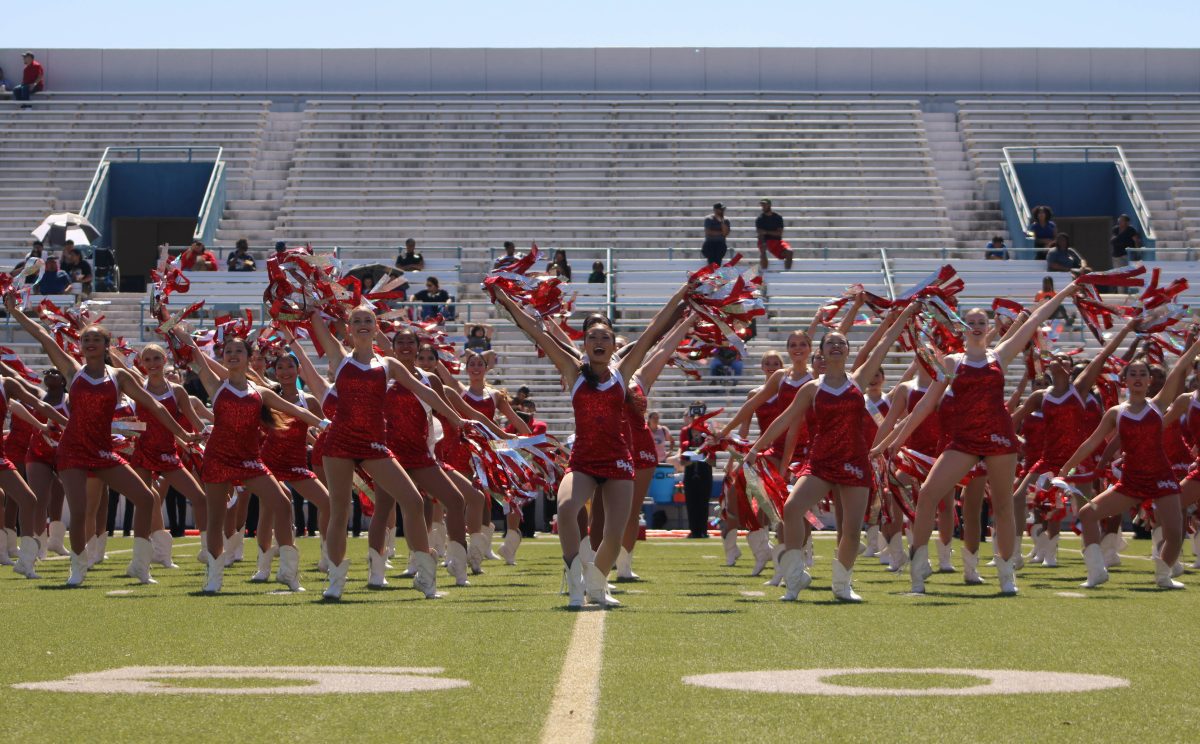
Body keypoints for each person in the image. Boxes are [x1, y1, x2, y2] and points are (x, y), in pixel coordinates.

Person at [872, 281, 1078, 595]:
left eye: (983, 322)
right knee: (927, 494)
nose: (978, 326)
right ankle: (919, 566)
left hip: (999, 438)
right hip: (964, 440)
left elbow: (1036, 319)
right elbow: (927, 403)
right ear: (962, 327)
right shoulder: (952, 362)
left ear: (988, 327)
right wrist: (896, 440)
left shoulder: (1000, 354)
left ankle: (1007, 574)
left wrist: (1065, 292)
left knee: (1004, 506)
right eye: (972, 322)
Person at [8, 296, 197, 587]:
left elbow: (155, 407)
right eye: (86, 340)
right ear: (80, 346)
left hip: (103, 449)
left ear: (107, 345)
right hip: (72, 449)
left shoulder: (119, 376)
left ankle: (140, 565)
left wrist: (182, 434)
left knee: (146, 498)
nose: (90, 343)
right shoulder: (73, 371)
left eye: (97, 339)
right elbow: (44, 335)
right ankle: (78, 567)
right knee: (81, 509)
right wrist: (15, 312)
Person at [746, 304, 915, 601]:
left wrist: (904, 313)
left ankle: (842, 585)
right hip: (820, 462)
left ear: (848, 350)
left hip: (854, 462)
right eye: (830, 343)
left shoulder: (858, 381)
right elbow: (783, 419)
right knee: (791, 509)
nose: (836, 346)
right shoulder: (811, 388)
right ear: (821, 352)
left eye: (841, 342)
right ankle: (796, 576)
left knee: (850, 531)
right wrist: (755, 448)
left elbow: (885, 342)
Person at [305, 304, 467, 599]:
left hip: (374, 444)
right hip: (339, 442)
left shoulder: (389, 365)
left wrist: (456, 417)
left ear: (376, 327)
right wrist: (311, 294)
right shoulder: (339, 358)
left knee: (413, 501)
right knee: (341, 510)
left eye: (369, 320)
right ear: (349, 328)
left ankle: (425, 577)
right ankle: (335, 580)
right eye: (357, 321)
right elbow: (315, 319)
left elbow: (426, 392)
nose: (363, 324)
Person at [1061, 337, 1200, 589]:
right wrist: (1067, 468)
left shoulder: (1158, 404)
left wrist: (1196, 346)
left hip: (1162, 478)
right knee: (1087, 515)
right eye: (1132, 373)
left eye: (1142, 374)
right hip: (1131, 481)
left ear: (1149, 381)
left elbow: (1180, 367)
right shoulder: (1116, 412)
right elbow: (1091, 443)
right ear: (1124, 380)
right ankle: (1096, 572)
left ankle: (1163, 576)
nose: (1137, 377)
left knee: (1174, 532)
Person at [755, 198, 792, 271]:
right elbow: (760, 233)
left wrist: (766, 232)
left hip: (777, 241)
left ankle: (787, 272)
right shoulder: (760, 219)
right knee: (762, 249)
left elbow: (779, 233)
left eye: (765, 205)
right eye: (762, 205)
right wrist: (763, 242)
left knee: (789, 251)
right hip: (766, 240)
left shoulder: (777, 217)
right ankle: (764, 272)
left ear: (769, 205)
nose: (763, 207)